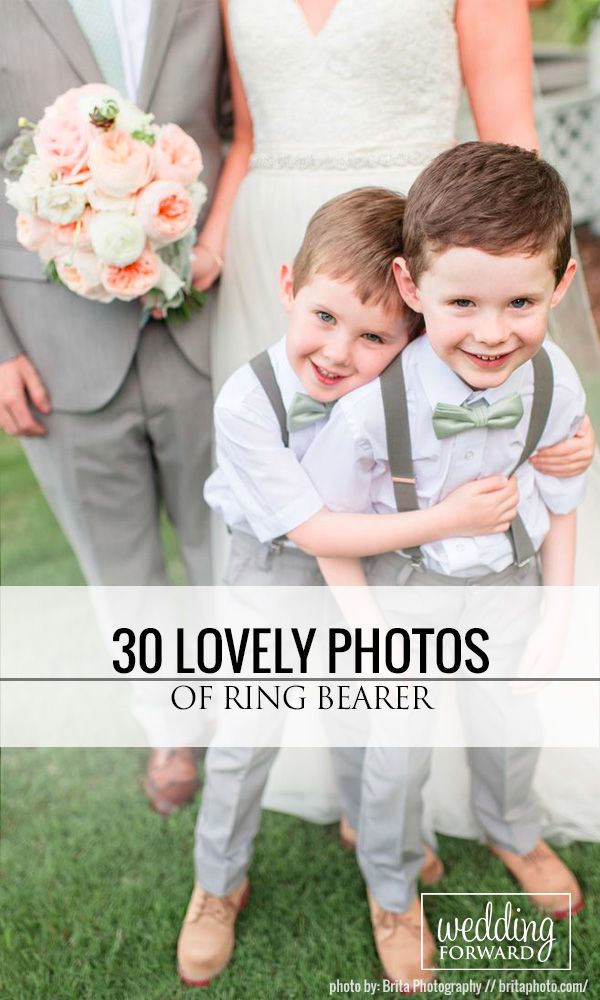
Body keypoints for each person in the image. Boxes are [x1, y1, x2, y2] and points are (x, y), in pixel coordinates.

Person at [197, 0, 599, 831]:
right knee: (291, 517)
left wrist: (527, 404)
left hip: (425, 247)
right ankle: (355, 760)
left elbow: (511, 143)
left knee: (416, 465)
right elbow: (244, 140)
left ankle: (452, 780)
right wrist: (205, 248)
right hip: (284, 255)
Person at [176, 186, 523, 987]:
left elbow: (507, 400)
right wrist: (442, 522)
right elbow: (315, 531)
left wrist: (564, 448)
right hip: (273, 572)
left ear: (410, 336)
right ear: (289, 284)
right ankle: (217, 882)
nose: (338, 353)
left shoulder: (409, 388)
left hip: (376, 569)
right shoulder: (246, 404)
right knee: (244, 736)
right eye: (326, 318)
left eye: (373, 338)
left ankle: (386, 867)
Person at [298, 142, 586, 985]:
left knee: (510, 727)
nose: (493, 333)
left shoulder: (555, 381)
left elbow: (561, 502)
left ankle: (511, 828)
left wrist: (558, 617)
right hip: (402, 598)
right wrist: (370, 629)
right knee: (399, 756)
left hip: (511, 586)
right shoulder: (369, 411)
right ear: (412, 288)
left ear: (560, 288)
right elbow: (323, 529)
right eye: (462, 301)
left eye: (521, 302)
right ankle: (392, 889)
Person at [0, 0, 226, 812]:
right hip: (50, 334)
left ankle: (243, 712)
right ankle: (170, 723)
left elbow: (233, 125)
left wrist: (214, 238)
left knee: (226, 538)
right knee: (118, 562)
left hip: (200, 312)